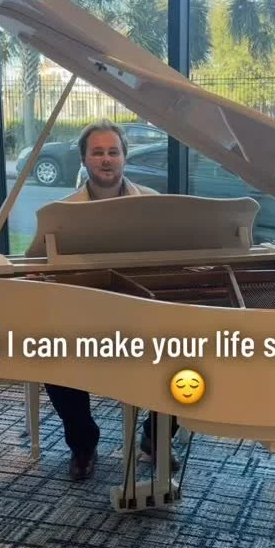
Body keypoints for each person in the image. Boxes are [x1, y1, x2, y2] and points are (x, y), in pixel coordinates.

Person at [44, 120, 178, 481]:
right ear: (84, 159)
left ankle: (156, 436)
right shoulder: (62, 212)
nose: (106, 159)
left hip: (145, 311)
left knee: (189, 350)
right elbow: (42, 264)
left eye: (113, 152)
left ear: (124, 157)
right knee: (53, 362)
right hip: (84, 315)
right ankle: (83, 443)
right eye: (98, 152)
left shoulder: (153, 203)